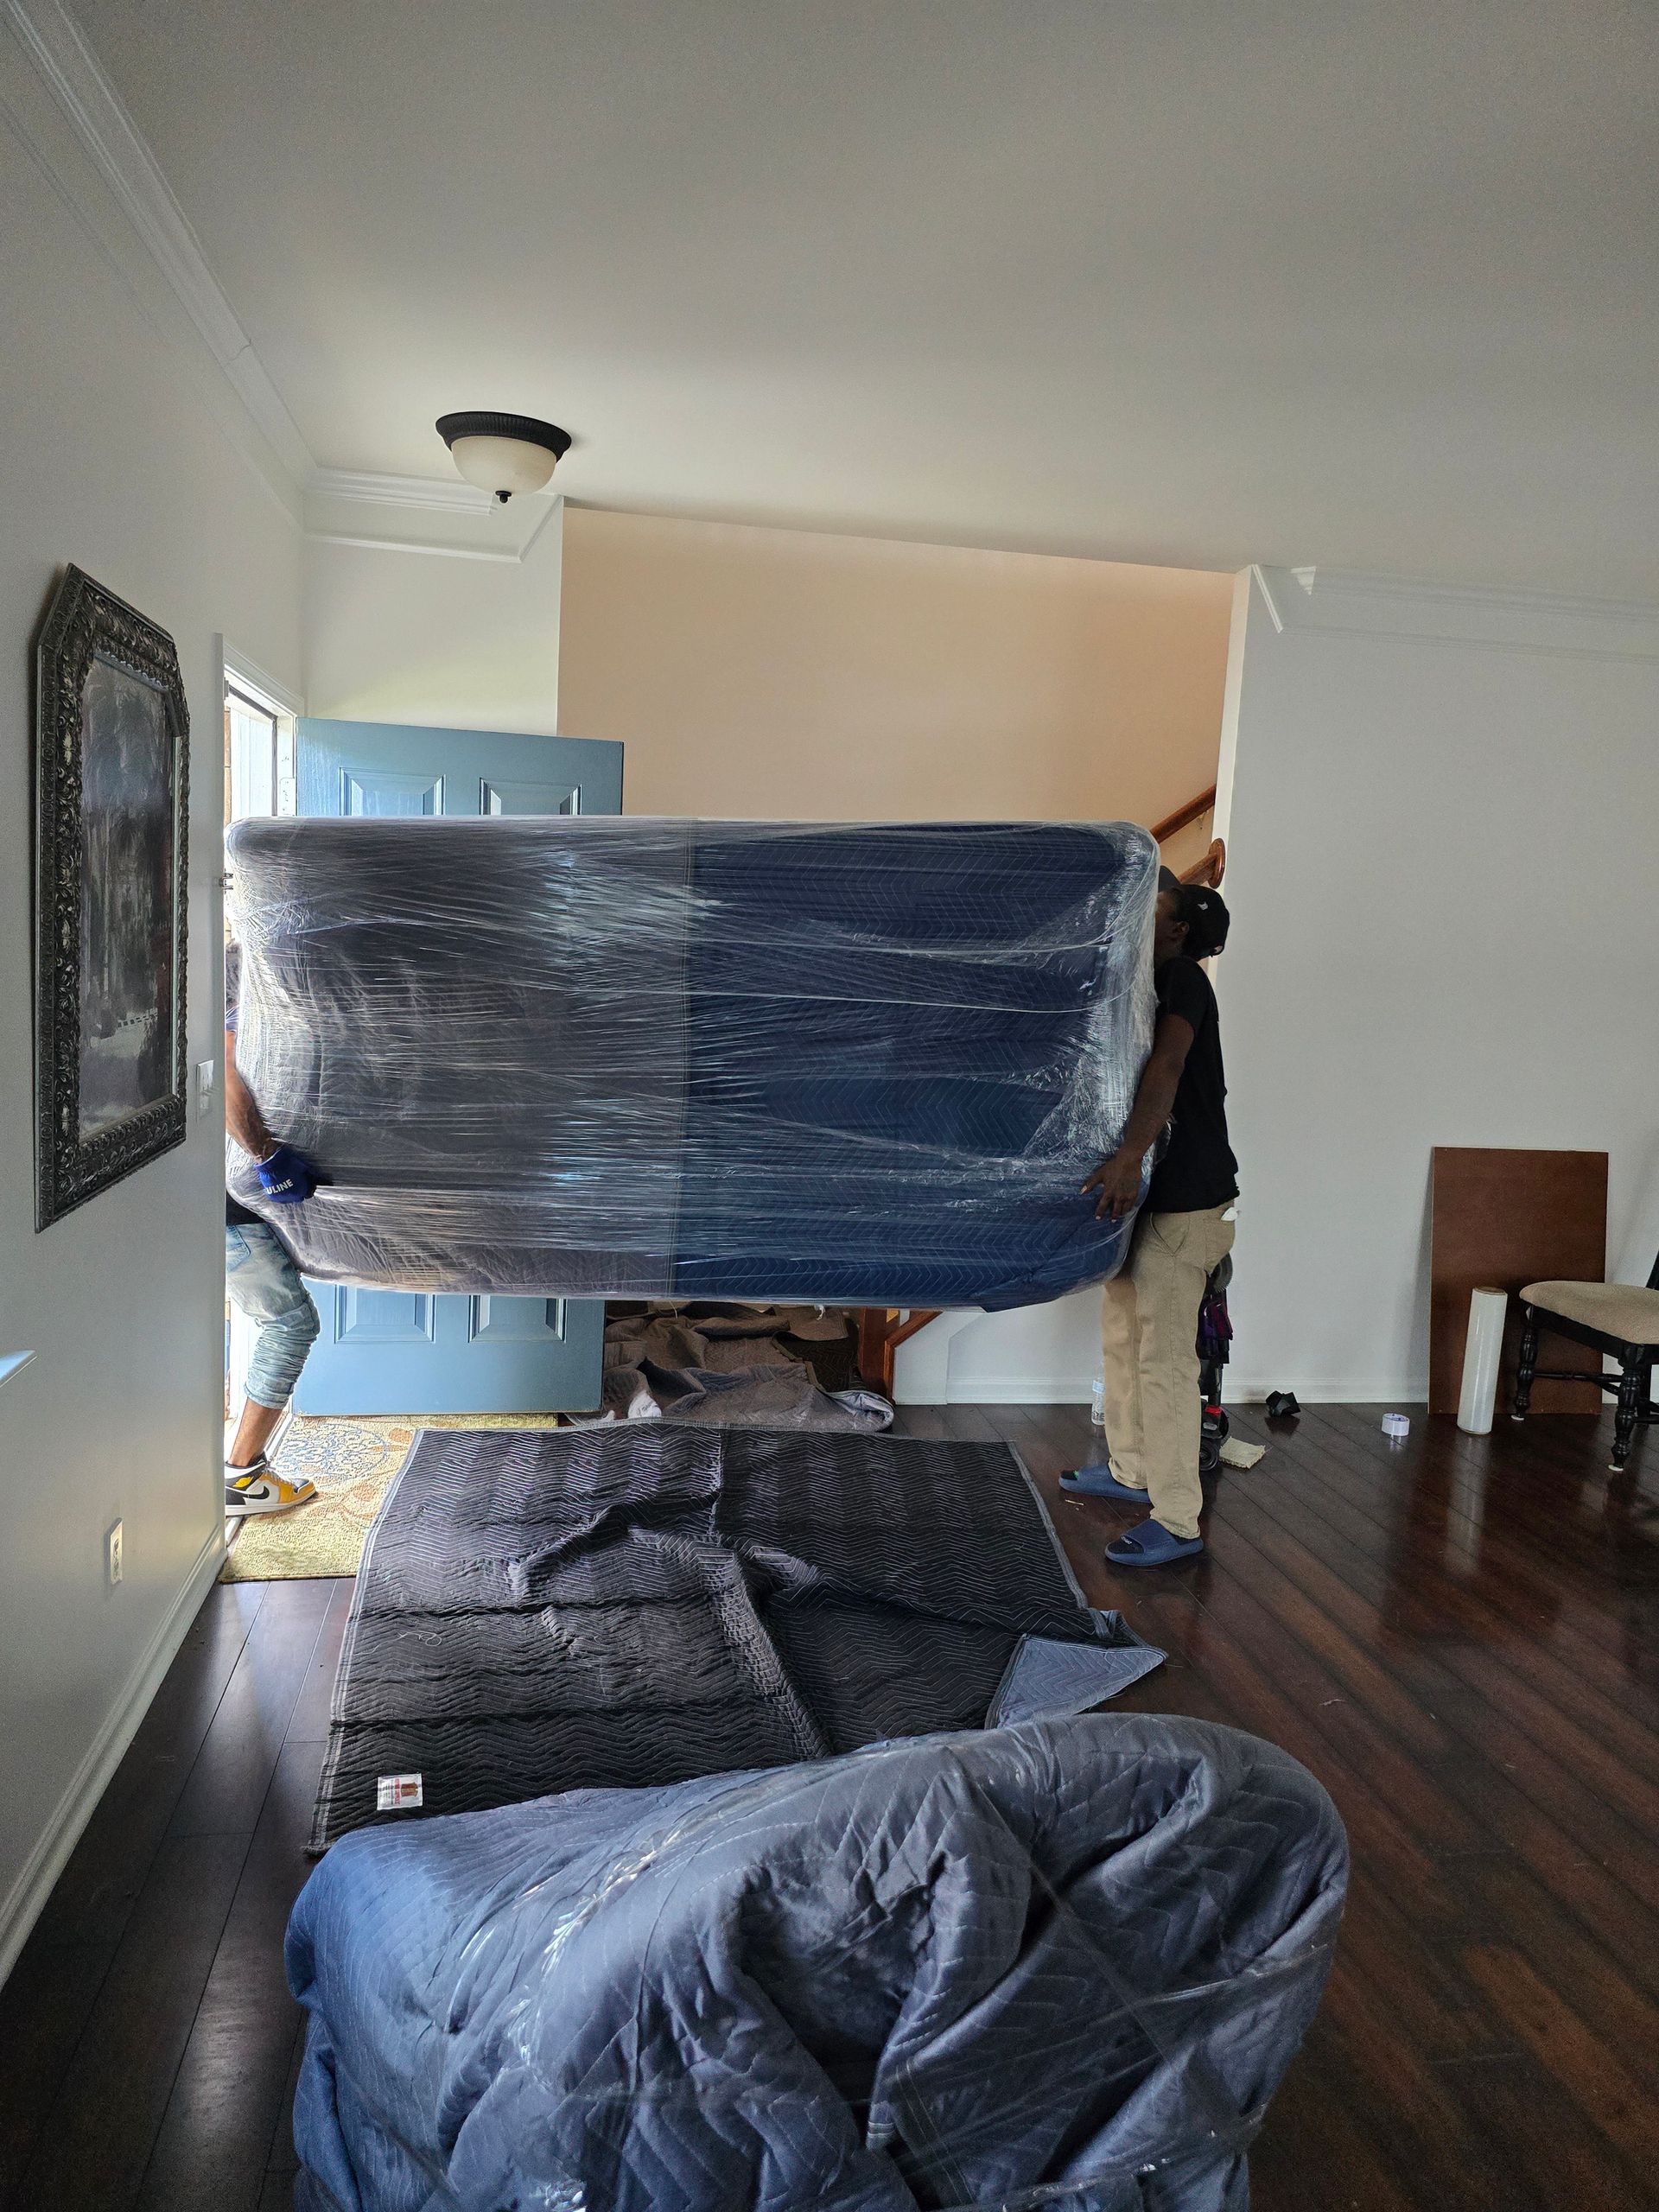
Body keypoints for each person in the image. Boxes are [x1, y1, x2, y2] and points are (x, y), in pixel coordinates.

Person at [1060, 875, 1237, 1567]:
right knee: (1122, 1339)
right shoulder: (1143, 984)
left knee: (1164, 1362)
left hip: (1185, 1201)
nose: (1141, 915)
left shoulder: (1184, 978)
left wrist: (1129, 1157)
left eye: (1155, 909)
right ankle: (1130, 1470)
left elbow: (1167, 1064)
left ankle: (1179, 1519)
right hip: (1144, 1200)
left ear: (1179, 930)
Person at [223, 938, 322, 1516]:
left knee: (276, 1322)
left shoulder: (263, 965)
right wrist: (266, 1156)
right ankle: (241, 1474)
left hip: (219, 1200)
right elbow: (223, 1069)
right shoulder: (243, 973)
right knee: (290, 1325)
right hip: (225, 1205)